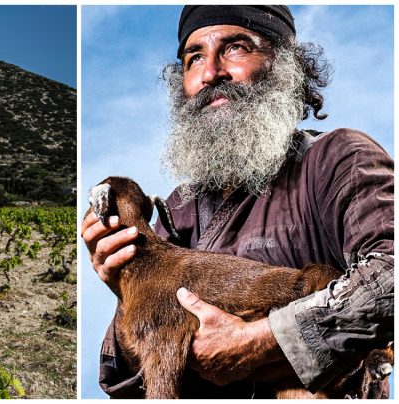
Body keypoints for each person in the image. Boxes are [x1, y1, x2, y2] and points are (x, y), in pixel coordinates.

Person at [81, 5, 394, 399]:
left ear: (284, 66)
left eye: (235, 48)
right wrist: (126, 282)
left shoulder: (336, 160)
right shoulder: (178, 209)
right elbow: (130, 380)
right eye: (195, 58)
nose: (212, 73)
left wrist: (262, 340)